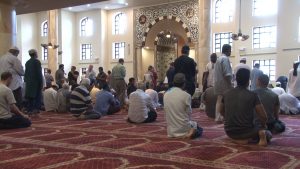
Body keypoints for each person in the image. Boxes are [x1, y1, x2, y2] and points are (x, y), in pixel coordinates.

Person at [220, 68, 271, 146]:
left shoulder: (226, 94)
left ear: (236, 79)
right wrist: (263, 126)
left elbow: (221, 110)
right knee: (268, 133)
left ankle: (239, 140)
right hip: (247, 132)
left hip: (229, 131)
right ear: (248, 81)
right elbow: (263, 116)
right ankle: (256, 137)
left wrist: (228, 118)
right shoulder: (252, 95)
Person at [164, 73, 203, 139]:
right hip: (184, 129)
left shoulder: (166, 94)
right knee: (200, 129)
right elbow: (189, 114)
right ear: (184, 83)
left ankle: (190, 131)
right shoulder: (186, 95)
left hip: (170, 131)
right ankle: (190, 133)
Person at [214, 44, 233, 123]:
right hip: (224, 83)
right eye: (230, 50)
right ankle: (224, 117)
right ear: (228, 50)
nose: (230, 52)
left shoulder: (219, 59)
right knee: (227, 100)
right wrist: (230, 84)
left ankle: (218, 117)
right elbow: (227, 74)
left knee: (219, 100)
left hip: (218, 83)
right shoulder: (225, 59)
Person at [24, 49, 43, 115]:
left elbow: (25, 73)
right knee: (37, 96)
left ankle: (29, 109)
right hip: (36, 82)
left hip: (29, 82)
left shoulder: (27, 62)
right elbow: (39, 73)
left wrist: (26, 81)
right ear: (35, 54)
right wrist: (41, 82)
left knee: (30, 96)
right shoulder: (37, 61)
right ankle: (36, 110)